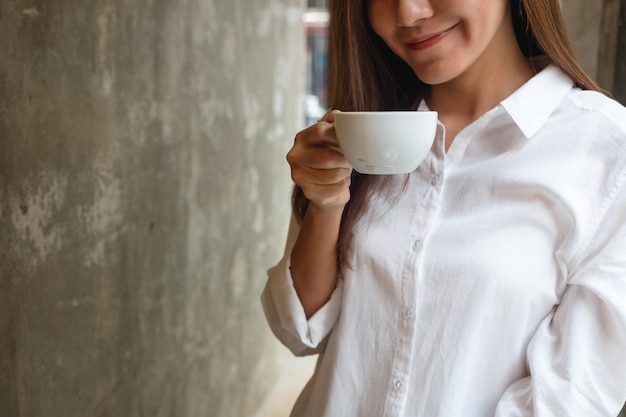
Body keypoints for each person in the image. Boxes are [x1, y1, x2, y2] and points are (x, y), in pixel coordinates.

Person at [261, 0, 626, 415]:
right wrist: (325, 203)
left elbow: (573, 397)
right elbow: (298, 332)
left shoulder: (608, 154)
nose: (408, 14)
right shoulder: (364, 129)